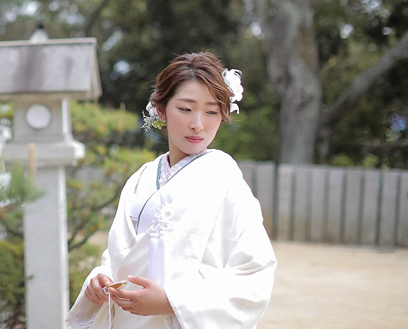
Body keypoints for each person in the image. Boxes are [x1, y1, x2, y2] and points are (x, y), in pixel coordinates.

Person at [65, 52, 276, 329]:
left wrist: (172, 302)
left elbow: (254, 269)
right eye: (186, 109)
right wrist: (102, 277)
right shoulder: (141, 177)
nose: (198, 124)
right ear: (161, 109)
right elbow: (120, 254)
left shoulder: (223, 176)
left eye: (211, 111)